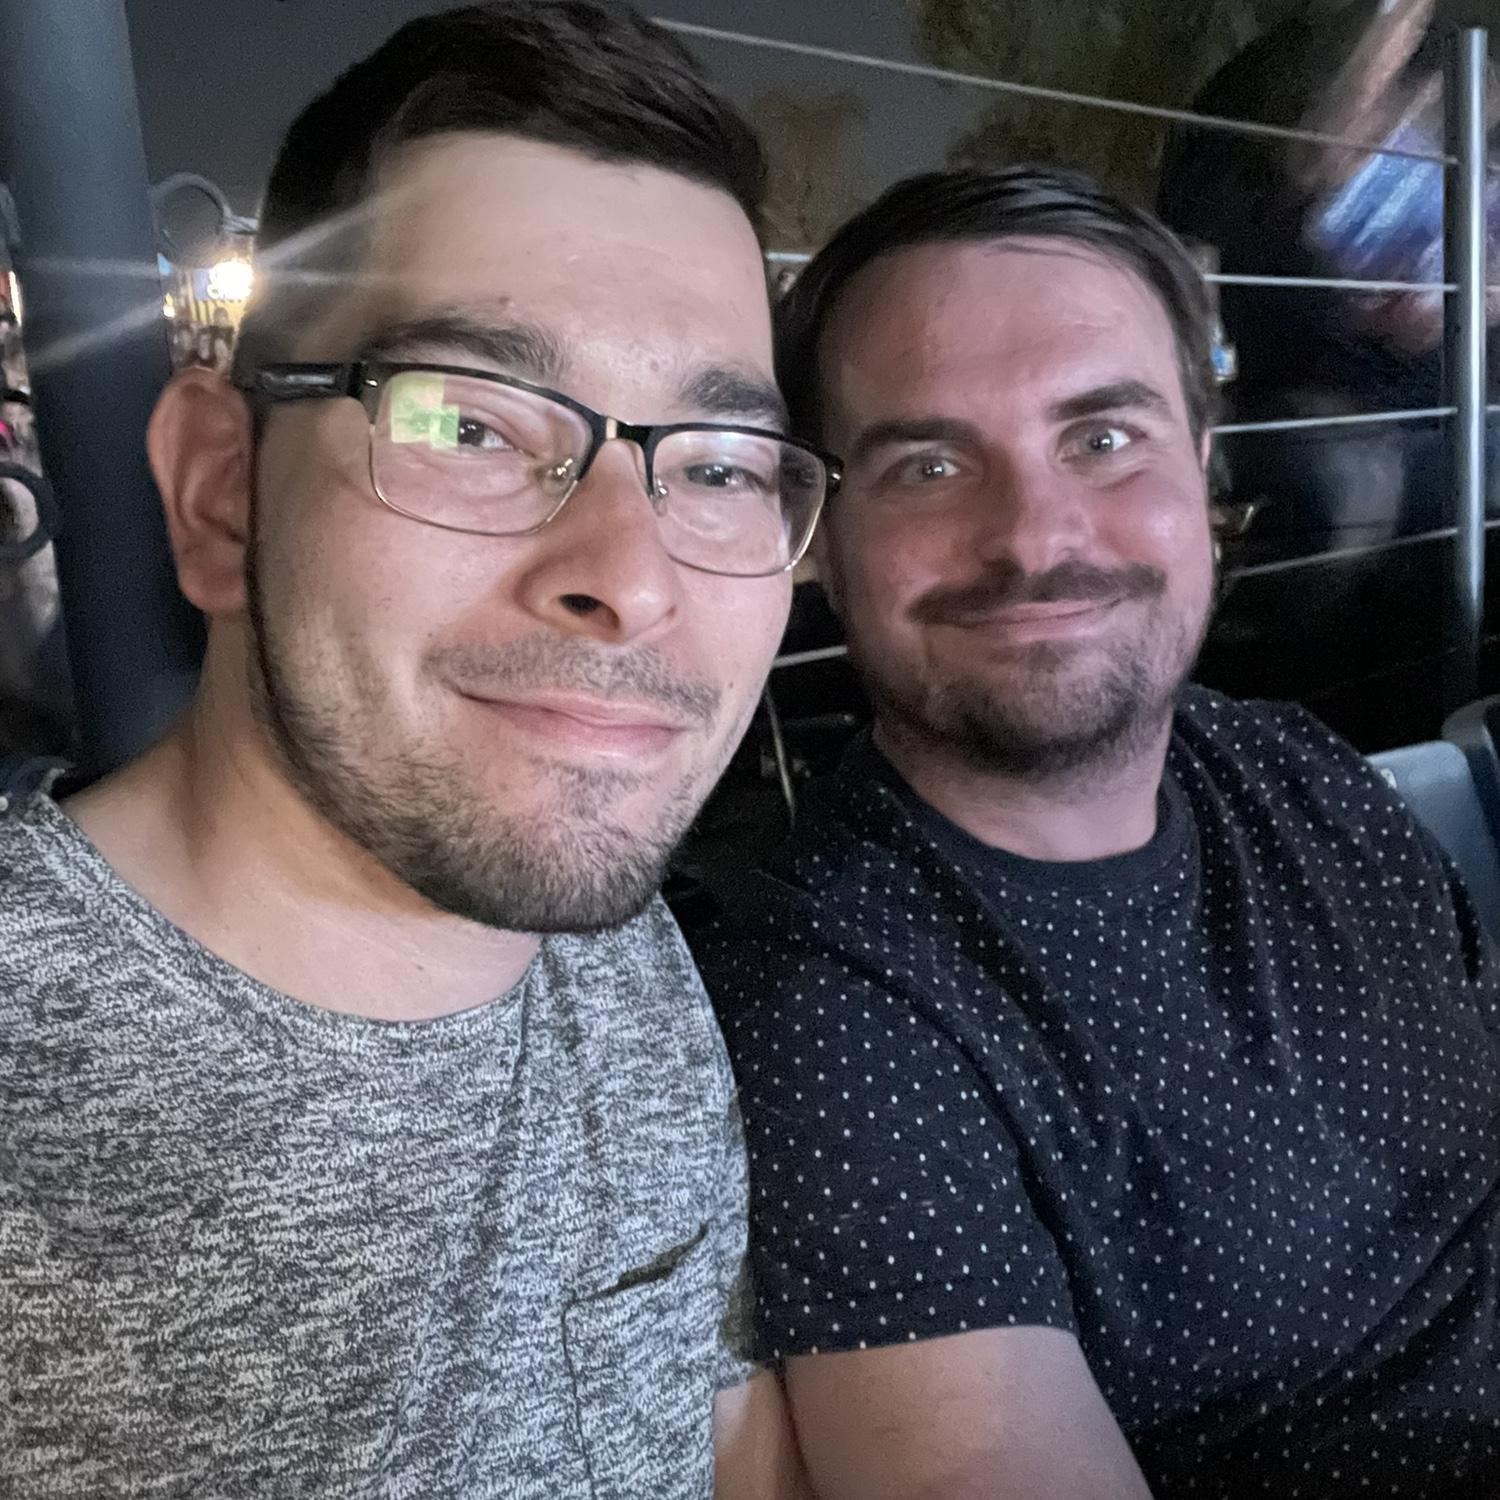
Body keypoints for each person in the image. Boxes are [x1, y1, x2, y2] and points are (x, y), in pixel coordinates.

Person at [0, 4, 835, 1494]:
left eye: (715, 467)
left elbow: (722, 1430)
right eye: (469, 424)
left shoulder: (621, 962)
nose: (632, 578)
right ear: (220, 492)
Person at [690, 165, 1500, 1498]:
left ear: (1203, 464)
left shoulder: (1294, 768)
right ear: (819, 535)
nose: (1034, 538)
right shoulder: (833, 1011)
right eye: (929, 464)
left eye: (1105, 438)